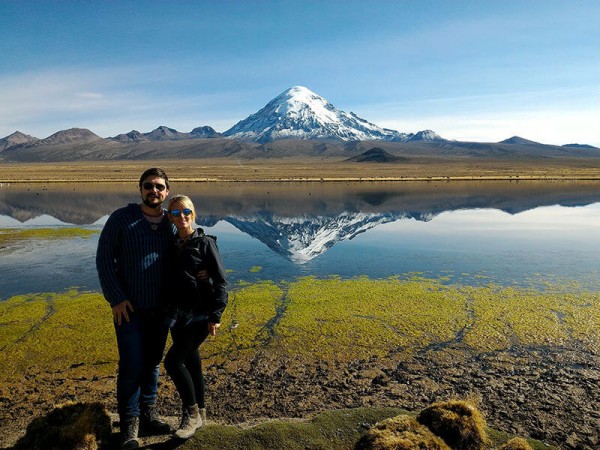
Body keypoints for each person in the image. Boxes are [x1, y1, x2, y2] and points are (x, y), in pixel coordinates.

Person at [96, 168, 175, 449]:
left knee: (153, 363)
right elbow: (104, 259)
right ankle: (129, 426)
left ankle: (149, 415)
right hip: (128, 309)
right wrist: (116, 298)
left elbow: (186, 258)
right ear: (140, 189)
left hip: (161, 310)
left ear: (167, 192)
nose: (154, 191)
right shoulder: (121, 218)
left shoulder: (171, 223)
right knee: (131, 366)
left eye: (159, 187)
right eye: (148, 186)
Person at [163, 194, 228, 440]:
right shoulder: (170, 243)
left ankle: (189, 416)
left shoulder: (205, 243)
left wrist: (216, 314)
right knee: (192, 362)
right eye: (176, 213)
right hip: (177, 314)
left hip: (200, 315)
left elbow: (221, 281)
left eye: (186, 211)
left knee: (172, 362)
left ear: (194, 213)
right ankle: (200, 412)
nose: (182, 217)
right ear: (170, 217)